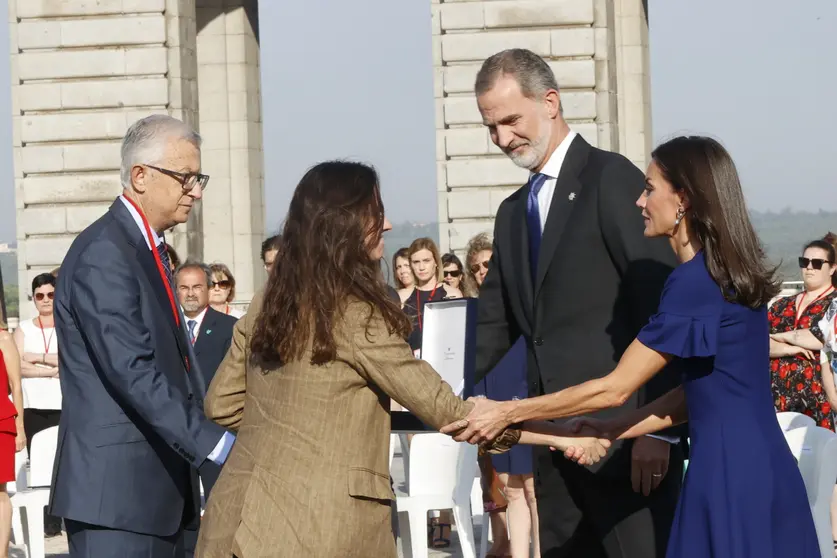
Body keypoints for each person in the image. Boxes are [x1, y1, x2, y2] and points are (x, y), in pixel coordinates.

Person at [195, 160, 609, 558]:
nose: (388, 225)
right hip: (322, 527)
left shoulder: (268, 301)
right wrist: (560, 435)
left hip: (234, 519)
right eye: (378, 213)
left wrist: (300, 430)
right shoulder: (356, 313)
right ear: (346, 225)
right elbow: (449, 411)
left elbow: (222, 404)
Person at [447, 136, 821, 557]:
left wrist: (508, 411)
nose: (639, 202)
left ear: (683, 198)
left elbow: (614, 388)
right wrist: (612, 427)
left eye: (648, 188)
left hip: (728, 476)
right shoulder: (727, 274)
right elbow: (695, 393)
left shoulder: (692, 283)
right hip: (760, 468)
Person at [449, 48, 686, 557]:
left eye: (511, 120)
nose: (502, 138)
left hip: (625, 446)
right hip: (554, 450)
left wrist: (659, 435)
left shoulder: (611, 179)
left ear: (550, 102)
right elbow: (494, 323)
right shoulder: (512, 214)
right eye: (491, 127)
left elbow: (663, 309)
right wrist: (437, 390)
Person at [50, 114, 233, 557]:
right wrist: (217, 444)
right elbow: (132, 371)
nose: (197, 190)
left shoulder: (145, 250)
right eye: (186, 177)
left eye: (198, 177)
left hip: (160, 495)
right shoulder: (104, 254)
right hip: (117, 502)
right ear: (140, 177)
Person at [768, 237, 837, 428]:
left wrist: (780, 337)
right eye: (804, 262)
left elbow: (819, 337)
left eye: (816, 263)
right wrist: (789, 350)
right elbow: (757, 342)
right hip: (777, 401)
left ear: (832, 268)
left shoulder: (834, 304)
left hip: (820, 403)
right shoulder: (781, 305)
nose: (809, 268)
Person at [13, 273, 63, 537]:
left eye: (50, 295)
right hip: (33, 406)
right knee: (39, 466)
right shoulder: (23, 329)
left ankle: (60, 517)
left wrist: (37, 358)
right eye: (40, 295)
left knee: (61, 464)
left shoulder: (68, 324)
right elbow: (16, 365)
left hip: (63, 405)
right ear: (33, 298)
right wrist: (50, 370)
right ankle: (47, 523)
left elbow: (71, 360)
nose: (45, 300)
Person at [0, 332, 25, 558]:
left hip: (1, 421)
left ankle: (2, 553)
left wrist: (20, 428)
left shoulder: (3, 339)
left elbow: (16, 385)